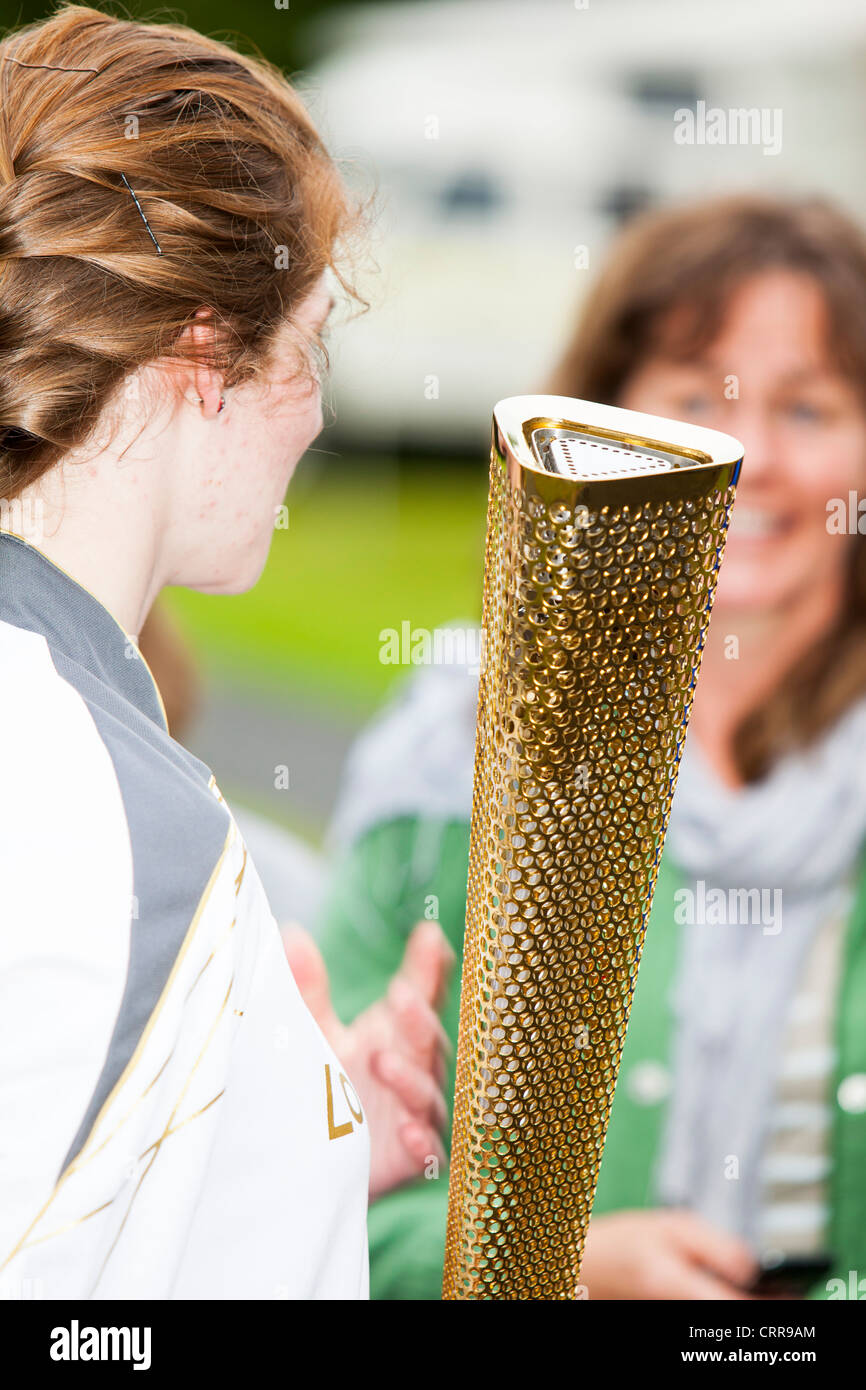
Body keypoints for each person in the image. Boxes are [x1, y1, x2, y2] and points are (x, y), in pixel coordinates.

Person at [316, 194, 866, 1299]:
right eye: (688, 399)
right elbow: (318, 1204)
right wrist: (568, 1277)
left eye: (805, 408)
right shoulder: (454, 768)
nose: (748, 458)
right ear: (594, 432)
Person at [0, 5, 453, 1300]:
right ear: (207, 355)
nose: (312, 419)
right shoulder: (109, 820)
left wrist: (291, 1150)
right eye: (306, 351)